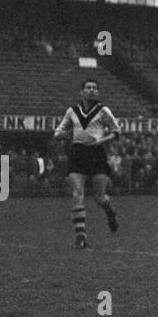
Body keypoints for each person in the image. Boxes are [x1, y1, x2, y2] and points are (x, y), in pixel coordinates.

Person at [52, 79, 121, 249]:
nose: (91, 90)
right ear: (81, 91)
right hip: (78, 153)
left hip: (96, 154)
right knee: (77, 193)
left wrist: (100, 141)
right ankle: (81, 236)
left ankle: (110, 211)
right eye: (88, 87)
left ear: (97, 92)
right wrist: (73, 134)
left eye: (94, 88)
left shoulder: (103, 110)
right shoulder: (72, 111)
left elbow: (116, 131)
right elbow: (58, 133)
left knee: (99, 198)